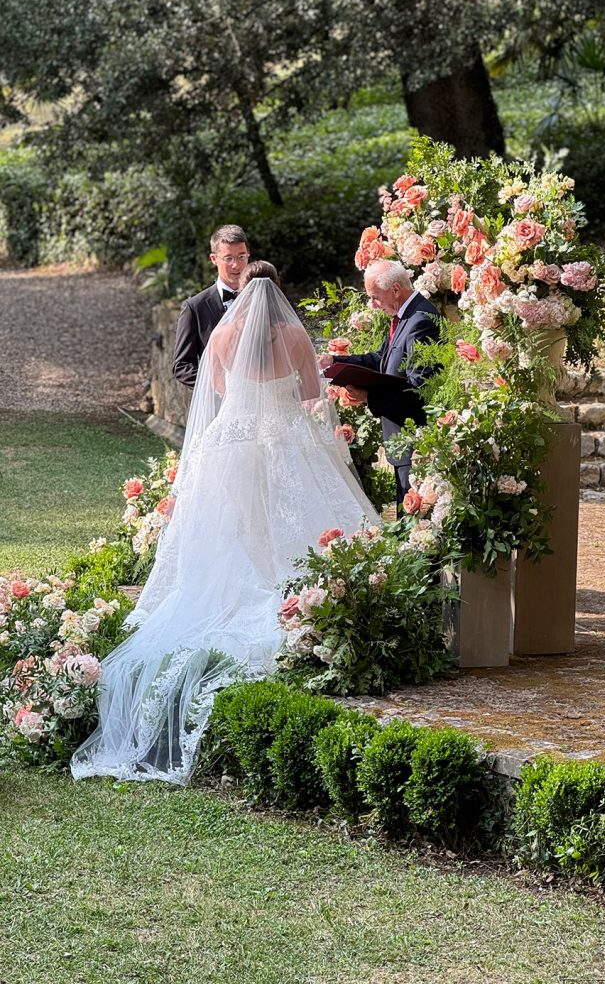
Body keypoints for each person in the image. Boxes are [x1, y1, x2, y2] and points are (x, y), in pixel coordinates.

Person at [72, 269, 378, 785]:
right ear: (278, 294)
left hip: (230, 442)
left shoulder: (224, 332)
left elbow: (215, 388)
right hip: (284, 439)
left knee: (232, 530)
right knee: (298, 526)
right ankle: (301, 599)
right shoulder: (295, 334)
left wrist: (246, 397)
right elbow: (309, 388)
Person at [325, 259, 439, 512]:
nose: (373, 305)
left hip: (413, 440)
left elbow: (418, 389)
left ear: (396, 290)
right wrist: (335, 362)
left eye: (375, 297)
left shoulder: (421, 320)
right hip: (401, 441)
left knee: (413, 528)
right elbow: (381, 359)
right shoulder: (406, 316)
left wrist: (369, 397)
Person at [172, 225, 250, 389]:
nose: (236, 265)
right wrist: (217, 388)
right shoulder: (195, 307)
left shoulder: (263, 298)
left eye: (241, 256)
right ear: (214, 259)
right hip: (218, 407)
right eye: (228, 258)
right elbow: (182, 366)